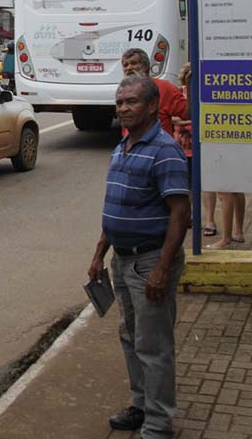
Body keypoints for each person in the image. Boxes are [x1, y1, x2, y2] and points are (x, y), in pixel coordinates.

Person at [88, 74, 189, 437]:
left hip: (150, 261)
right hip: (122, 260)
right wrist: (100, 253)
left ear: (152, 107)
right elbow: (116, 207)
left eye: (131, 102)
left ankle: (160, 424)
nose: (123, 108)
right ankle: (141, 405)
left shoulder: (165, 151)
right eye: (119, 102)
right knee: (130, 336)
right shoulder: (123, 147)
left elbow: (180, 213)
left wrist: (162, 268)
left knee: (154, 345)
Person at [121, 48, 187, 135]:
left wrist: (189, 86)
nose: (129, 68)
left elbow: (187, 113)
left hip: (158, 147)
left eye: (133, 63)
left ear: (146, 66)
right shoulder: (123, 91)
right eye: (125, 65)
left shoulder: (165, 87)